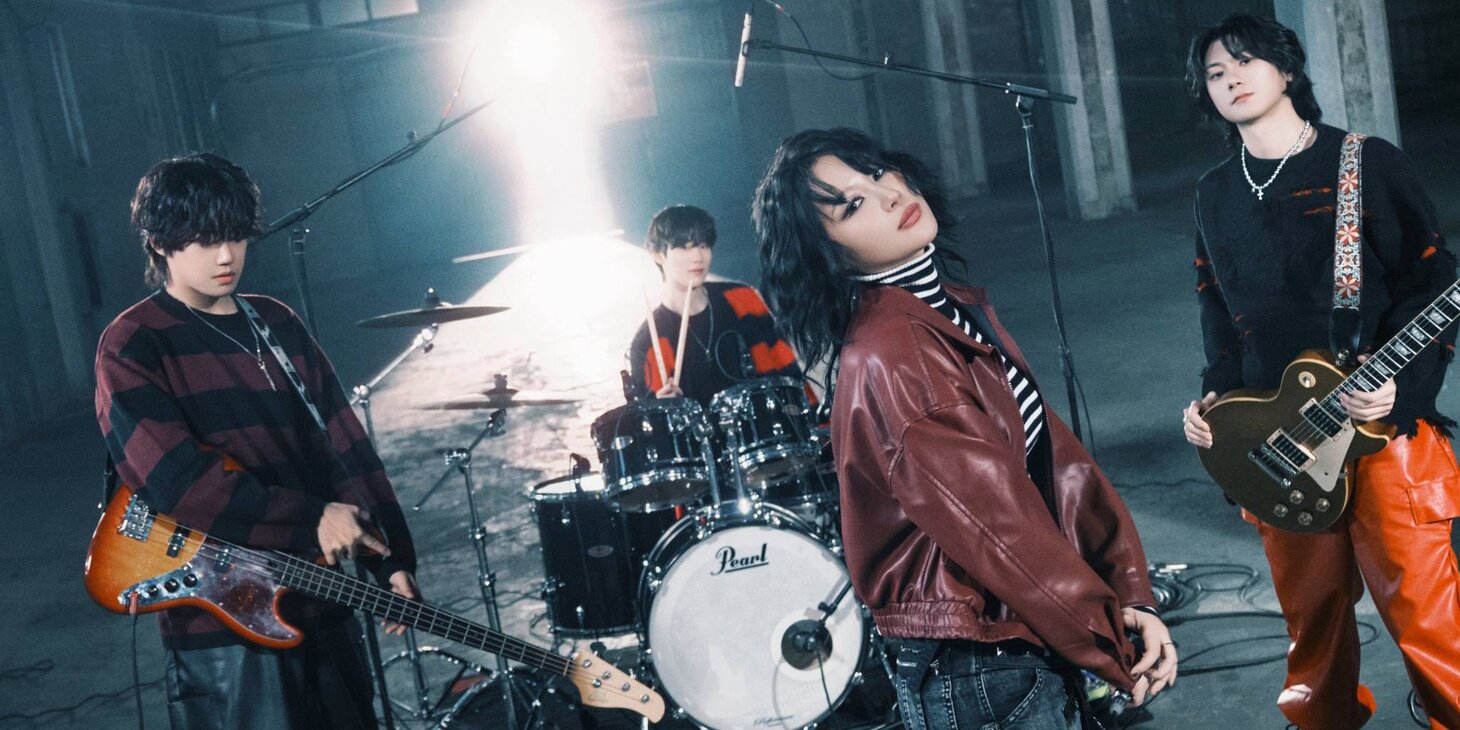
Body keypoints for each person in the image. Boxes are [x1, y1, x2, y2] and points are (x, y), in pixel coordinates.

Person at [753, 127, 1176, 729]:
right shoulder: (898, 354)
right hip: (980, 666)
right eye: (852, 206)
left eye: (876, 172)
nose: (890, 195)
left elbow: (1058, 465)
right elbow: (999, 528)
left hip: (1014, 640)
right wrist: (1112, 642)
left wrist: (1131, 593)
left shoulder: (943, 310)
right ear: (828, 256)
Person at [1181, 14, 1460, 729]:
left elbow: (1432, 281)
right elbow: (1219, 309)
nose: (1232, 80)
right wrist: (1216, 399)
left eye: (1246, 62)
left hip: (1382, 425)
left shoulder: (1365, 162)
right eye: (1216, 73)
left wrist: (1401, 391)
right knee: (1311, 618)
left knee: (1426, 613)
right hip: (1276, 439)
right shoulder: (1214, 192)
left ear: (1287, 70)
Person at [94, 153, 419, 729]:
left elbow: (343, 445)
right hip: (222, 630)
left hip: (321, 601)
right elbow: (180, 484)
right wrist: (313, 519)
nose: (226, 256)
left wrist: (388, 555)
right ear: (160, 244)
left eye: (235, 236)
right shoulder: (133, 343)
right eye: (205, 240)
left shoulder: (277, 323)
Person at [626, 204, 806, 408]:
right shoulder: (649, 342)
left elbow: (789, 374)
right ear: (657, 254)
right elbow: (652, 420)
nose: (698, 257)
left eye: (703, 246)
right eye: (685, 247)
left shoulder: (741, 298)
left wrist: (813, 416)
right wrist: (666, 411)